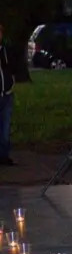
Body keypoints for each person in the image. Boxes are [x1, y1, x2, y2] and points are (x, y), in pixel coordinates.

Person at [0, 24, 16, 166]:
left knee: (5, 128)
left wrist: (11, 83)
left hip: (7, 94)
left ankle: (4, 156)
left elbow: (11, 67)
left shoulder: (5, 51)